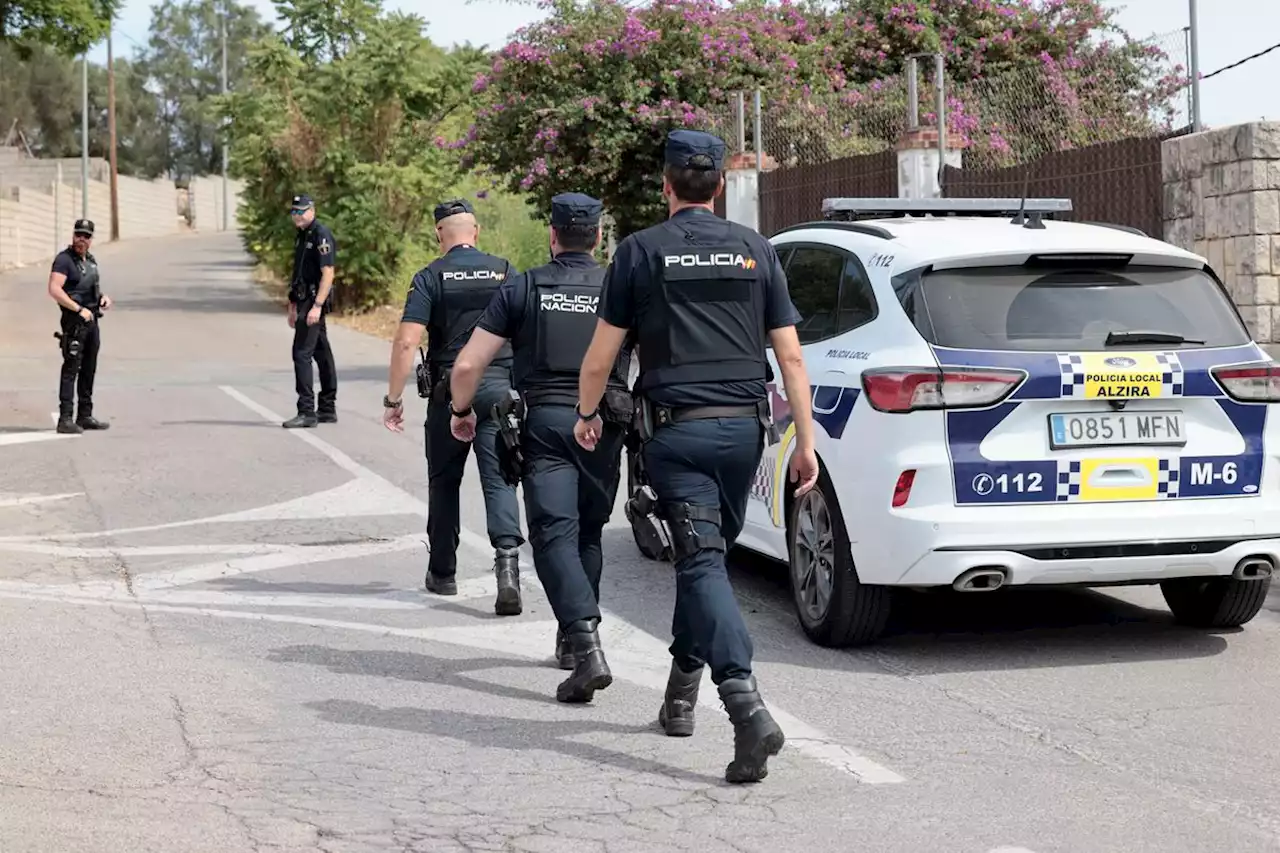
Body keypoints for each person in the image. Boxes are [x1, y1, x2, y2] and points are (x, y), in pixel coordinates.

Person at [573, 130, 820, 784]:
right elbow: (791, 357)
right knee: (703, 559)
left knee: (703, 562)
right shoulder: (757, 250)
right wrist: (807, 443)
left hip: (677, 437)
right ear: (719, 188)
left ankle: (745, 705)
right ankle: (681, 694)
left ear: (666, 186)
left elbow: (600, 359)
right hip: (745, 436)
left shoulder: (639, 252)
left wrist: (588, 414)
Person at [448, 192, 633, 703]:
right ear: (597, 238)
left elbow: (467, 366)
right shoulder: (619, 288)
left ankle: (584, 645)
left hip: (547, 424)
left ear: (552, 235)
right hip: (604, 422)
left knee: (553, 535)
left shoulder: (524, 286)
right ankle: (573, 644)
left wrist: (461, 413)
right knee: (589, 532)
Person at [382, 198, 526, 615]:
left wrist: (394, 399)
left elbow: (407, 340)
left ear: (439, 235)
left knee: (444, 480)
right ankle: (508, 571)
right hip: (499, 387)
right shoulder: (504, 270)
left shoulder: (430, 276)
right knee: (499, 480)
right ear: (475, 232)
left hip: (450, 392)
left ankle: (443, 572)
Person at [47, 219, 112, 434]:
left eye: (85, 236)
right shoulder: (64, 260)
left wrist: (102, 298)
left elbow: (89, 288)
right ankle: (65, 418)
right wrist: (77, 309)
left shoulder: (90, 261)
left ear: (91, 239)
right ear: (73, 236)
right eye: (78, 235)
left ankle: (84, 415)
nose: (81, 240)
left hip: (91, 319)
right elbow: (55, 289)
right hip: (75, 321)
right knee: (71, 368)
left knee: (89, 368)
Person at [283, 194, 339, 429]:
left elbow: (328, 272)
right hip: (304, 299)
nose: (297, 215)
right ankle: (327, 408)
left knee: (301, 354)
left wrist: (316, 306)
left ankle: (306, 411)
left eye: (301, 211)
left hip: (313, 301)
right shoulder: (302, 235)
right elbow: (299, 274)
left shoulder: (320, 234)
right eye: (294, 211)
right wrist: (293, 304)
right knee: (321, 351)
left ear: (312, 211)